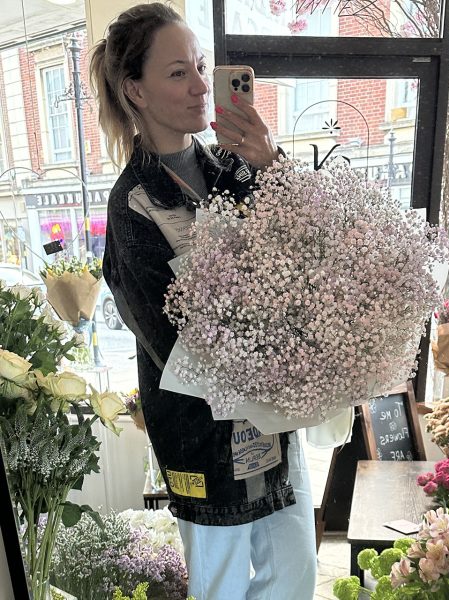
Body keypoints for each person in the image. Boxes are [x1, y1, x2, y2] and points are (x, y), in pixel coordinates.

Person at [88, 4, 317, 599]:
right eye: (176, 73)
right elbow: (171, 341)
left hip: (274, 421)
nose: (198, 86)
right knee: (220, 586)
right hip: (202, 434)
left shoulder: (232, 168)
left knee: (295, 577)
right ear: (134, 90)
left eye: (201, 66)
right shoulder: (134, 204)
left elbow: (305, 246)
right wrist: (271, 356)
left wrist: (272, 165)